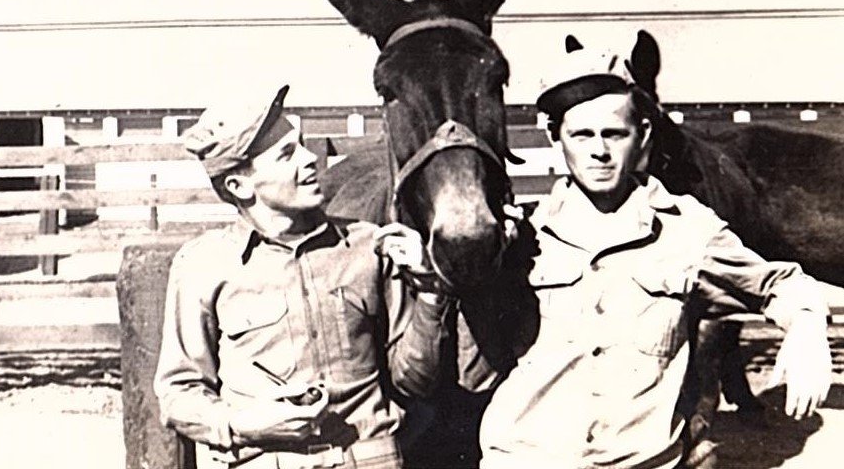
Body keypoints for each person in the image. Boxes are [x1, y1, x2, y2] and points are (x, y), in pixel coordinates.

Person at [478, 40, 833, 469]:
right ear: (556, 138)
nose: (599, 151)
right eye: (582, 134)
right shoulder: (522, 238)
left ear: (643, 135)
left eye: (614, 133)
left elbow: (781, 285)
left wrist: (808, 328)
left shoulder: (687, 232)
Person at [154, 84, 481, 469]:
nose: (311, 160)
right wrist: (241, 425)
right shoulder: (204, 265)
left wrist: (429, 289)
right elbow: (179, 391)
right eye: (287, 154)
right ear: (239, 186)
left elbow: (415, 382)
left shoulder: (367, 247)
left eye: (303, 145)